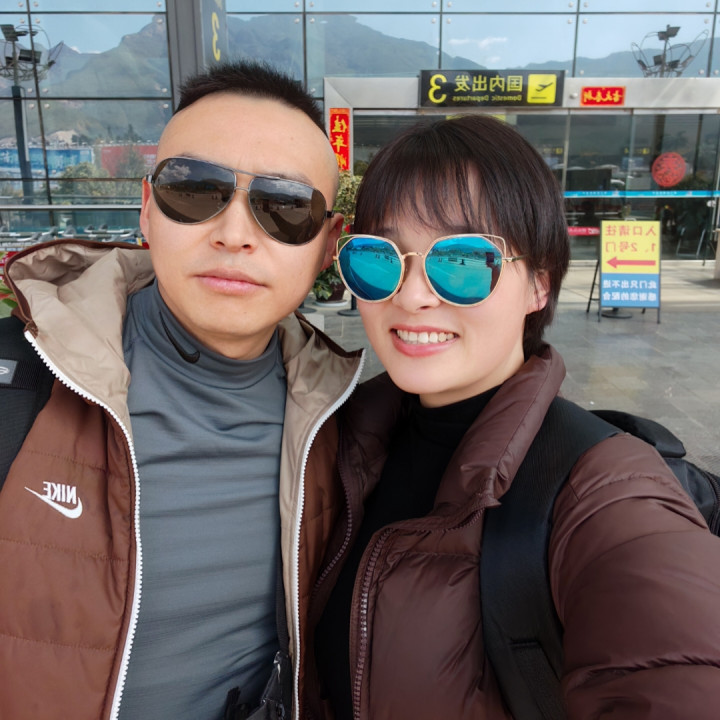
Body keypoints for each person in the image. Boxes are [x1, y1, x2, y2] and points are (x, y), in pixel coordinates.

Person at [310, 115, 720, 719]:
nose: (412, 295)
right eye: (380, 257)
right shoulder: (334, 444)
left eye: (462, 261)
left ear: (539, 286)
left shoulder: (605, 489)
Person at [0, 60, 364, 720]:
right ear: (147, 209)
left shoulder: (348, 425)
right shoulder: (19, 385)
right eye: (195, 190)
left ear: (325, 246)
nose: (234, 235)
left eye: (285, 208)